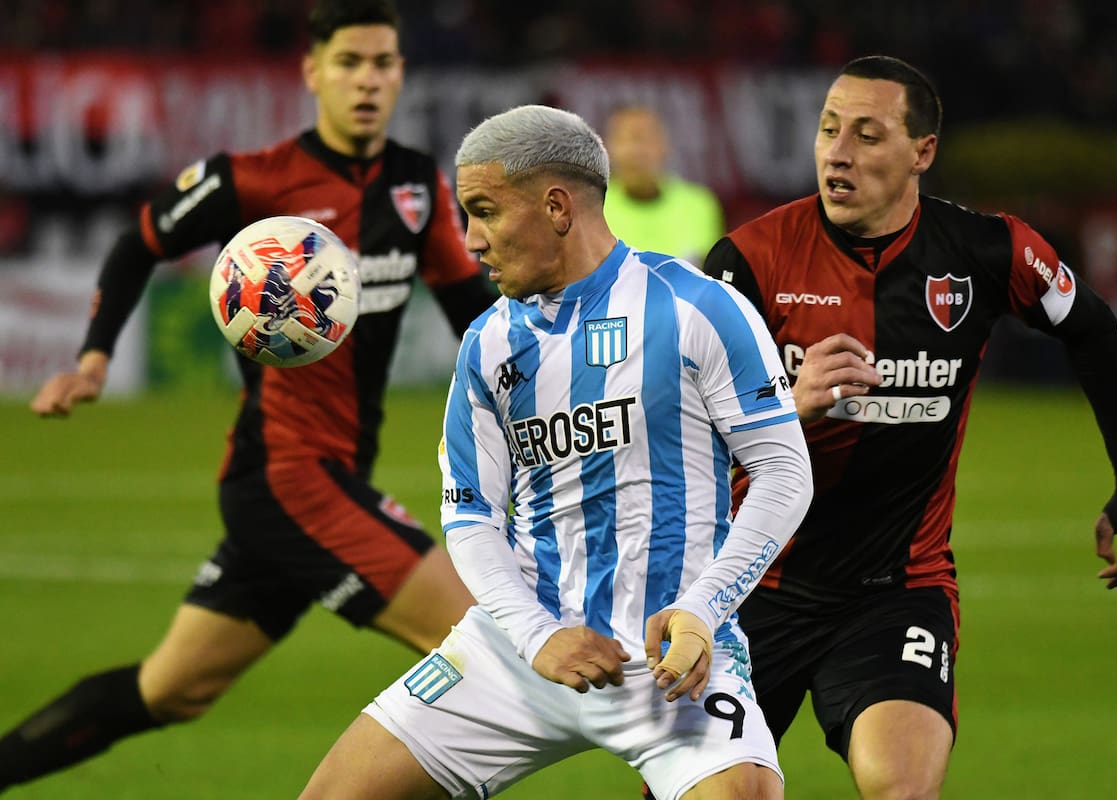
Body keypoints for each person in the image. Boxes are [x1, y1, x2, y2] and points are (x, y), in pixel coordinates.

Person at [0, 0, 495, 791]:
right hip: (289, 479)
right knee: (488, 640)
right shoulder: (255, 179)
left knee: (172, 689)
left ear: (402, 72)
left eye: (383, 63)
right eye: (348, 63)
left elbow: (476, 313)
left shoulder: (415, 188)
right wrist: (94, 358)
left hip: (325, 481)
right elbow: (140, 243)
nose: (367, 80)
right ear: (312, 72)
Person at [298, 103, 813, 800]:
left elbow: (785, 473)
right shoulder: (488, 342)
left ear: (557, 207)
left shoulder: (697, 310)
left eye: (483, 211)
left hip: (674, 648)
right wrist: (537, 636)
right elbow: (471, 514)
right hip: (518, 649)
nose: (470, 239)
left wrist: (704, 608)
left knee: (745, 793)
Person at [695, 55, 1117, 800]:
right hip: (748, 587)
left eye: (867, 134)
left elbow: (1095, 330)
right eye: (827, 130)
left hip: (898, 591)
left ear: (923, 152)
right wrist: (785, 404)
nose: (838, 153)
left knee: (904, 789)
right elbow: (672, 429)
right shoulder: (748, 261)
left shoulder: (989, 252)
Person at [603, 104, 725, 265]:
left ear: (666, 146)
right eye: (624, 139)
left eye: (645, 139)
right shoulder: (590, 209)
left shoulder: (700, 205)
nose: (636, 151)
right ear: (607, 149)